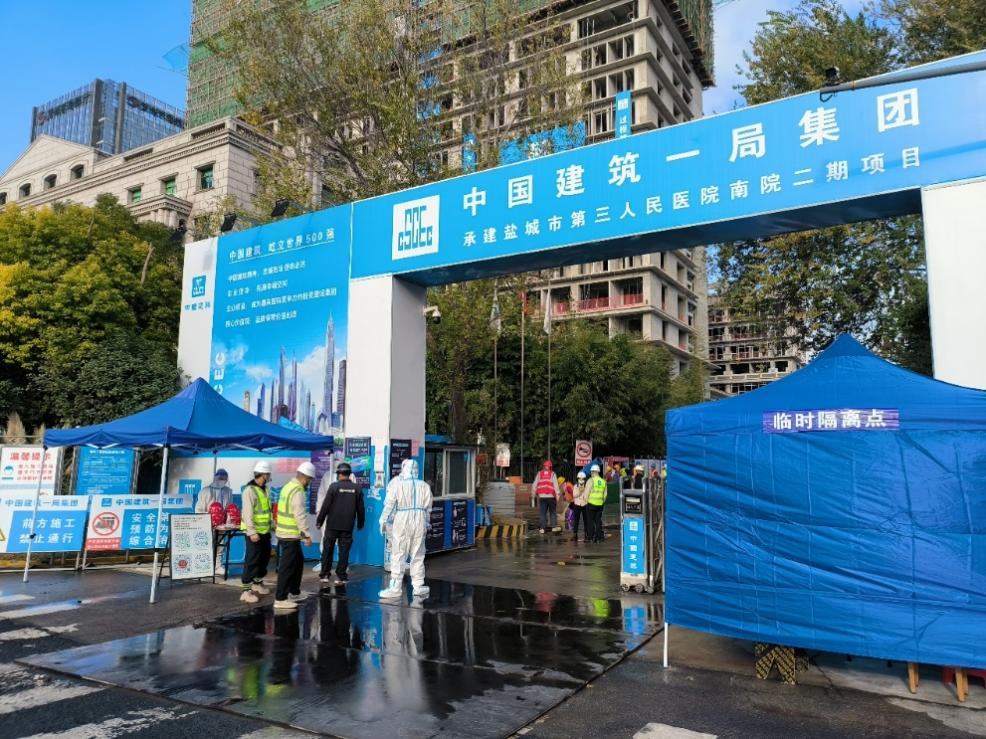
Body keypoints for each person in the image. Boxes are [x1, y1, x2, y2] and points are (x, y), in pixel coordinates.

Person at [378, 459, 433, 600]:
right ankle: (418, 586)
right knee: (418, 554)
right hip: (419, 520)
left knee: (398, 553)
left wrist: (382, 520)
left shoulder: (397, 485)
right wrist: (426, 522)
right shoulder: (424, 486)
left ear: (404, 469)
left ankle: (395, 587)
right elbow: (428, 508)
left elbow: (389, 505)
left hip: (402, 520)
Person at [273, 462, 316, 610]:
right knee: (287, 567)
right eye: (310, 479)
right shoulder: (298, 490)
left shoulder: (287, 487)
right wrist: (306, 535)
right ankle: (280, 598)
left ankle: (294, 592)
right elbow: (299, 515)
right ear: (305, 477)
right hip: (290, 535)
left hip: (286, 533)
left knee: (298, 563)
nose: (309, 483)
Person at [316, 461, 365, 586]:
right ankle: (341, 576)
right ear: (349, 474)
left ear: (339, 474)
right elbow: (361, 508)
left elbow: (325, 506)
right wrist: (360, 523)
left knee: (328, 550)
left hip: (332, 525)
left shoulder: (334, 487)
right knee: (344, 551)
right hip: (347, 526)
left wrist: (320, 521)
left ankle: (325, 575)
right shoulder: (357, 488)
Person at [240, 461, 273, 604]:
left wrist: (273, 525)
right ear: (264, 474)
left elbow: (267, 511)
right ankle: (246, 591)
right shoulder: (249, 490)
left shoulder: (265, 490)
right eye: (268, 474)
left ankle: (257, 583)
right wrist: (252, 532)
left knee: (264, 558)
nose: (269, 476)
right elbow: (247, 513)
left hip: (265, 531)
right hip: (254, 533)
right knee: (252, 561)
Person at [197, 468, 233, 575]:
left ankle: (217, 565)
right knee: (207, 544)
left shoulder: (228, 491)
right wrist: (207, 520)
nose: (222, 480)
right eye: (220, 477)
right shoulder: (205, 491)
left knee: (220, 545)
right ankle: (205, 566)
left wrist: (228, 521)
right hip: (207, 523)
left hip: (222, 524)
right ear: (215, 477)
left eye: (224, 478)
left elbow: (229, 507)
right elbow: (199, 509)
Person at [531, 460, 562, 534]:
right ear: (550, 466)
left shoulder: (539, 473)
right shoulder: (553, 474)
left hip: (542, 497)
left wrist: (533, 494)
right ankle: (553, 527)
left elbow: (534, 485)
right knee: (552, 512)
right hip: (551, 497)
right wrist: (558, 495)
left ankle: (542, 528)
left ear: (544, 466)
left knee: (542, 513)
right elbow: (556, 485)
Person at [586, 463, 607, 543]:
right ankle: (598, 537)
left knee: (590, 521)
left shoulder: (591, 480)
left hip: (591, 503)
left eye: (591, 472)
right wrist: (602, 501)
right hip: (600, 504)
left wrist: (585, 500)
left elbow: (586, 492)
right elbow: (605, 494)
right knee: (598, 521)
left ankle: (590, 537)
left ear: (593, 472)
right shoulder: (603, 481)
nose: (591, 473)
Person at [570, 470, 590, 542]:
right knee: (576, 520)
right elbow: (574, 495)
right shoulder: (575, 486)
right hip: (577, 505)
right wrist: (580, 492)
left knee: (586, 520)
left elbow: (588, 495)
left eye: (582, 478)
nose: (581, 480)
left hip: (585, 504)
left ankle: (587, 534)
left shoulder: (587, 486)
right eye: (580, 478)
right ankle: (575, 535)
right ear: (578, 478)